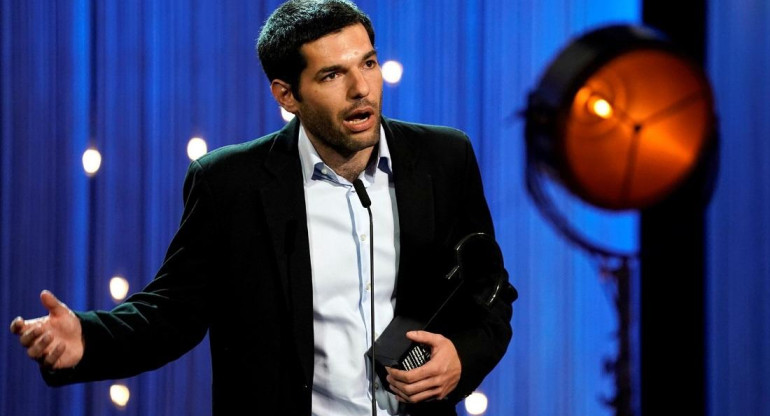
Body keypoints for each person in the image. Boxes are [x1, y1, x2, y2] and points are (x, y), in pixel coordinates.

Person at [10, 1, 515, 415]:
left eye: (368, 62)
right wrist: (87, 340)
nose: (362, 88)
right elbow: (173, 312)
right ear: (287, 94)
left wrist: (461, 359)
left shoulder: (444, 159)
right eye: (332, 75)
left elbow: (489, 294)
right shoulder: (231, 183)